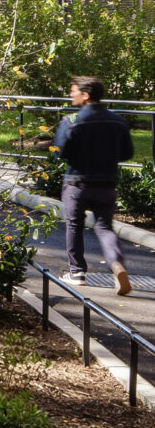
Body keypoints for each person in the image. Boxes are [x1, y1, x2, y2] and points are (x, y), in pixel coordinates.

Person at [53, 75, 135, 296]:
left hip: (77, 183)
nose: (71, 95)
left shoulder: (72, 121)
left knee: (74, 225)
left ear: (86, 95)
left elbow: (60, 152)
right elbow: (127, 153)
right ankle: (117, 264)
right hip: (107, 183)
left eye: (74, 91)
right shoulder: (118, 121)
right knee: (104, 227)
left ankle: (77, 272)